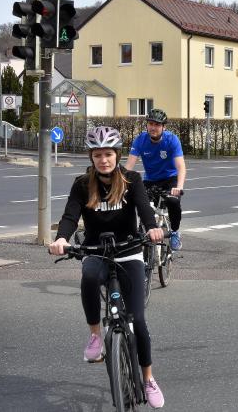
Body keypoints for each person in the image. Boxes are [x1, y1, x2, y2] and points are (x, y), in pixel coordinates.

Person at [48, 126, 166, 409]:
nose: (104, 160)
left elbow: (144, 209)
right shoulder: (81, 184)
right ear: (91, 157)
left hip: (129, 252)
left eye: (109, 154)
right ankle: (95, 337)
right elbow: (70, 215)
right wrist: (62, 238)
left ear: (117, 155)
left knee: (138, 320)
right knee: (88, 276)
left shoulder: (131, 180)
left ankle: (148, 378)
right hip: (96, 252)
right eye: (98, 155)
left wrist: (152, 228)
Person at [125, 108, 186, 251]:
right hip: (150, 180)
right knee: (137, 202)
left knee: (172, 201)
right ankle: (139, 231)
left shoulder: (172, 140)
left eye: (157, 125)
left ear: (163, 127)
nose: (153, 127)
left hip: (170, 179)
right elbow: (129, 166)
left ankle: (175, 232)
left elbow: (181, 167)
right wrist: (121, 185)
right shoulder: (140, 140)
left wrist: (179, 186)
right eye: (150, 124)